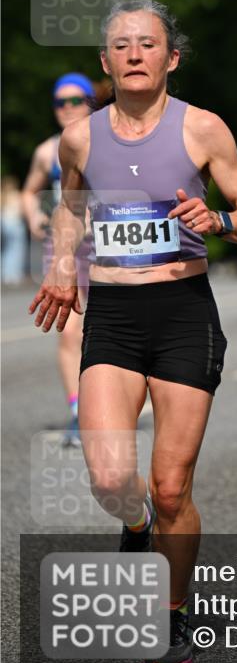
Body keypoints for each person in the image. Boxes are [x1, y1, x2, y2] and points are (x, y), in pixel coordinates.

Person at [29, 0, 237, 663]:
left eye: (148, 43)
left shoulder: (203, 129)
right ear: (105, 63)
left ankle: (172, 615)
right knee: (111, 477)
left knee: (170, 488)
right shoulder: (80, 138)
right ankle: (132, 527)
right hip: (114, 316)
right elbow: (72, 203)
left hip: (184, 314)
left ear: (171, 57)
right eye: (121, 45)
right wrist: (59, 266)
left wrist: (217, 220)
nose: (135, 53)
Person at [21, 73, 97, 445]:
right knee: (70, 333)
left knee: (110, 332)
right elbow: (30, 190)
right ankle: (79, 412)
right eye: (60, 102)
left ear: (91, 101)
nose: (68, 108)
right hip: (64, 249)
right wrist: (34, 214)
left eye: (76, 100)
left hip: (106, 249)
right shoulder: (46, 150)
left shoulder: (109, 140)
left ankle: (109, 405)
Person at [1, 176, 27, 286]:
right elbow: (22, 210)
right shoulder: (17, 195)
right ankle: (15, 274)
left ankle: (6, 274)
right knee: (17, 249)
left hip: (4, 223)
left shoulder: (3, 195)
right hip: (15, 224)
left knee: (6, 250)